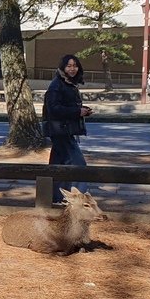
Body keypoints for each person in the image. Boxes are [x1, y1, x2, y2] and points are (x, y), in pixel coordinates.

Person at [43, 54, 93, 205]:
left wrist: (81, 110)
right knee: (79, 164)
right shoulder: (57, 85)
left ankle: (57, 198)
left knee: (58, 166)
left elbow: (64, 106)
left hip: (63, 130)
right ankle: (77, 199)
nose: (72, 69)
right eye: (69, 66)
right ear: (63, 67)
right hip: (61, 131)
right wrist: (77, 112)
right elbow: (53, 109)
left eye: (75, 66)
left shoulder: (68, 84)